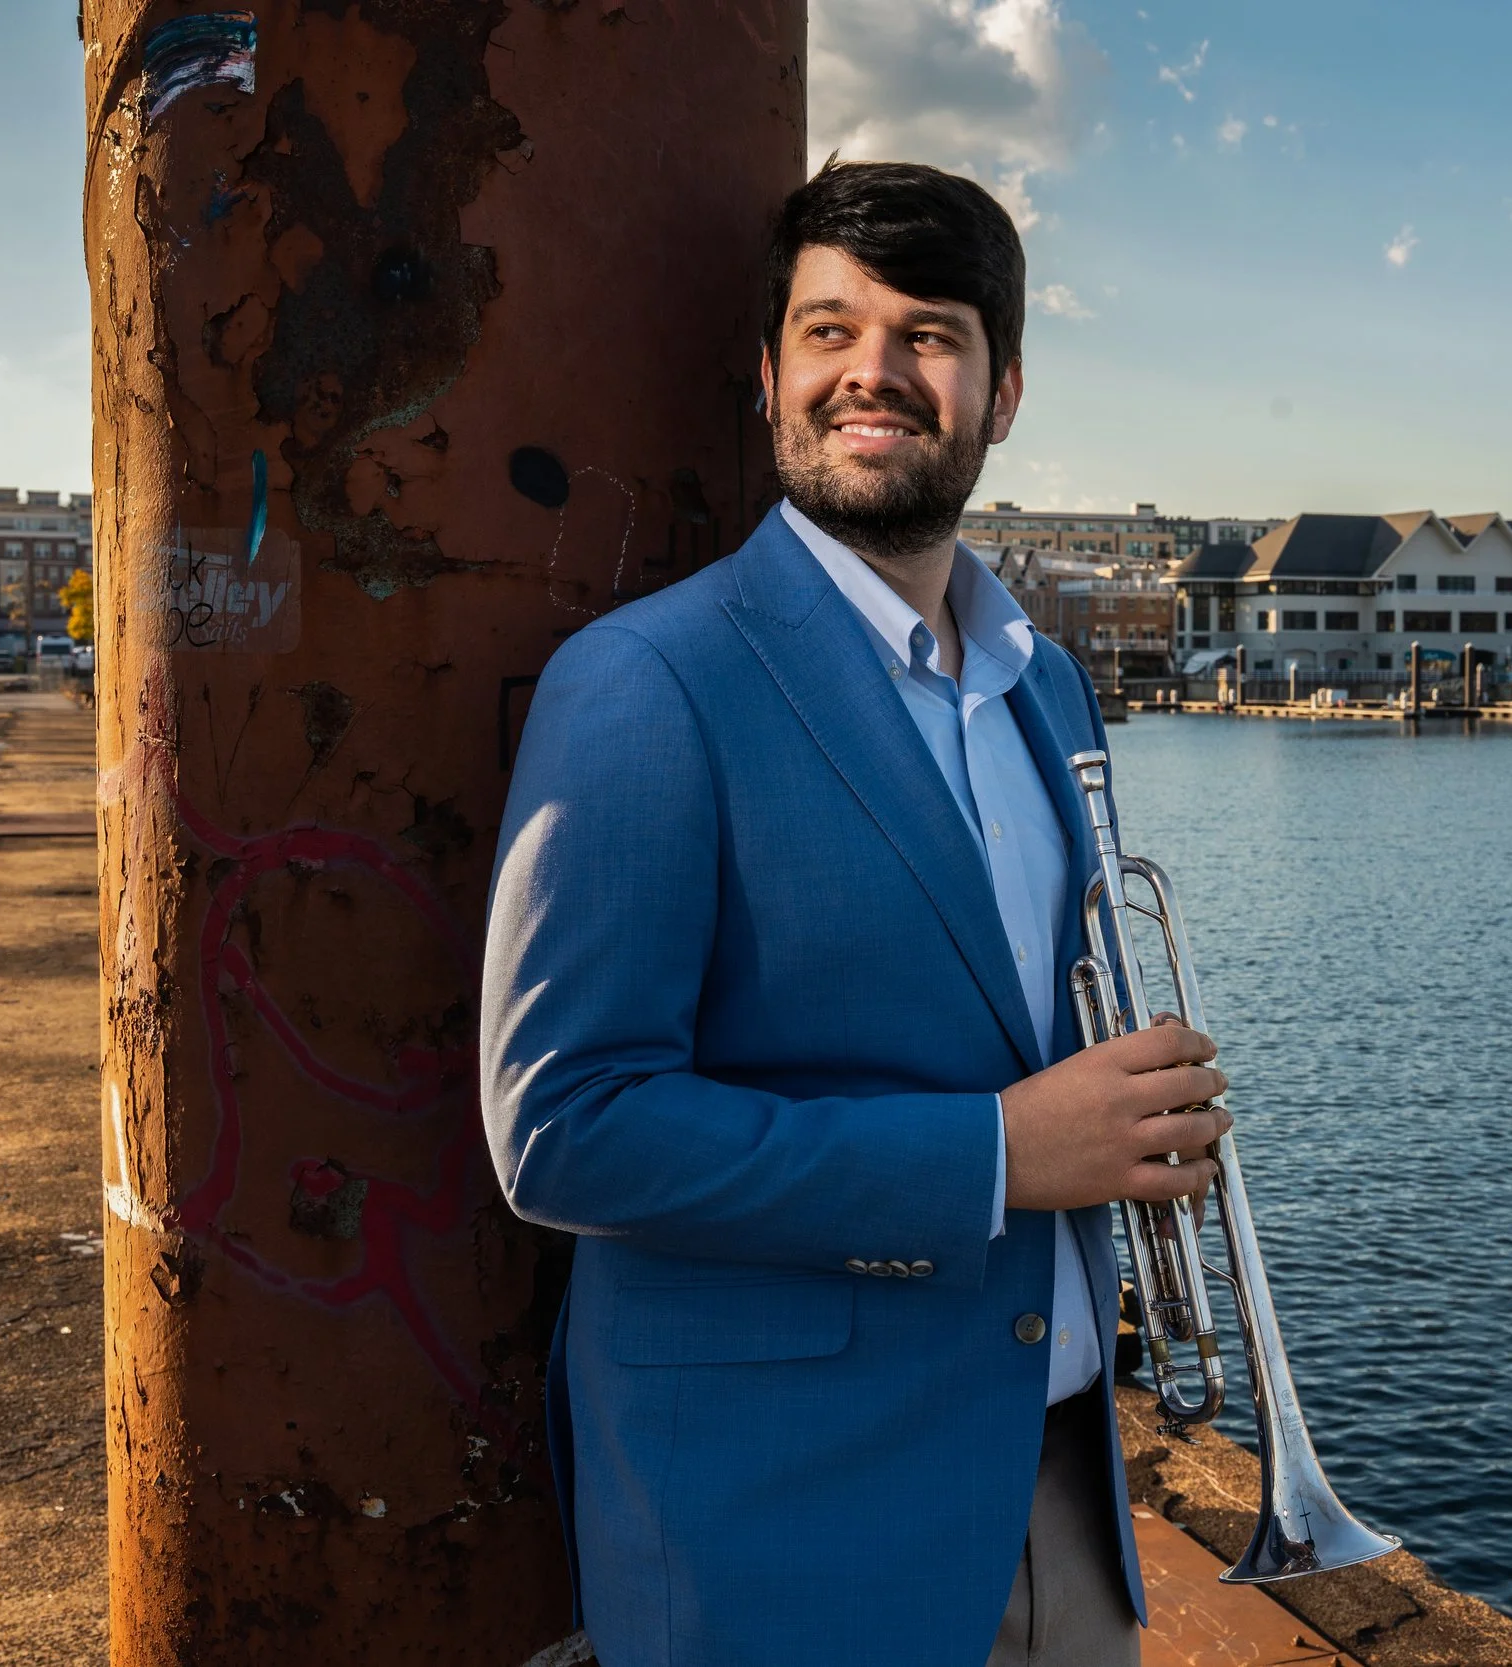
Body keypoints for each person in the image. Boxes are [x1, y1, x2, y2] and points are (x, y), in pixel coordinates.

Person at [479, 161, 1231, 1667]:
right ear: (768, 378)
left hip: (1062, 1492)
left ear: (1001, 391)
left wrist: (1133, 1131)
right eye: (829, 332)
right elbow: (563, 1123)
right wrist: (1002, 1153)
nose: (873, 373)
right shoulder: (647, 683)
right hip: (779, 1532)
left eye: (929, 334)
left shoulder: (1049, 681)